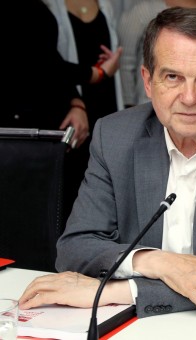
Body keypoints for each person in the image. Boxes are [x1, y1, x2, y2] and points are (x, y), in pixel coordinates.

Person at [18, 7, 196, 318]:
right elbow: (75, 247)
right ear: (148, 82)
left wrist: (114, 291)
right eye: (173, 77)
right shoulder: (114, 136)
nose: (189, 97)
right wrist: (156, 261)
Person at [43, 0, 124, 219]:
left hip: (107, 103)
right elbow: (47, 64)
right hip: (71, 107)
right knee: (72, 192)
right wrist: (95, 76)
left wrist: (111, 65)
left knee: (109, 190)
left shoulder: (112, 4)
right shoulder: (49, 6)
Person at [118, 0, 196, 108]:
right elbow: (125, 60)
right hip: (146, 102)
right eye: (172, 75)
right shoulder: (142, 11)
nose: (189, 99)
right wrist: (129, 104)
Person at [3, 0, 89, 148]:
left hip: (40, 132)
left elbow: (50, 55)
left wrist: (75, 101)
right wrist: (96, 73)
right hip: (17, 136)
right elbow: (41, 63)